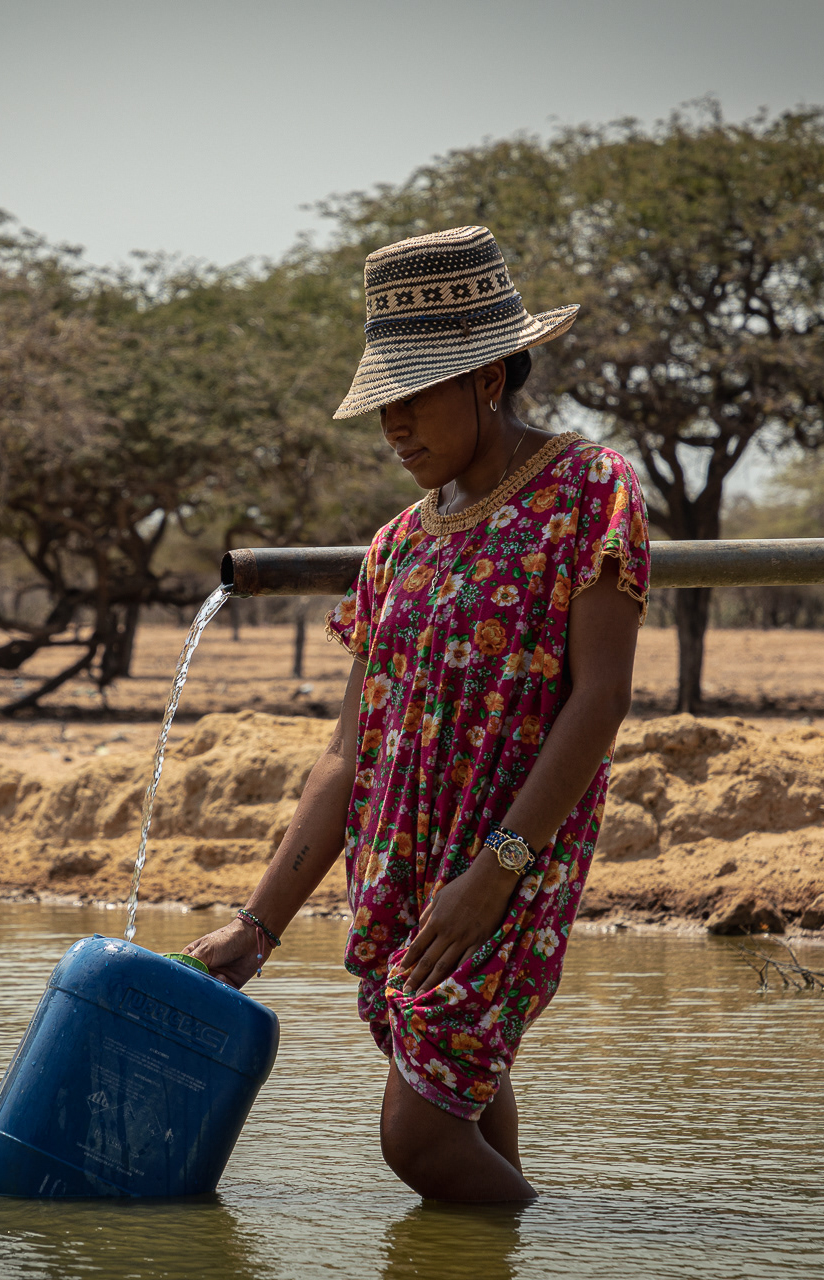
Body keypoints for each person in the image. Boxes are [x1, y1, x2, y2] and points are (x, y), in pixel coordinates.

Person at [186, 226, 649, 1202]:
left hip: (511, 866)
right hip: (404, 879)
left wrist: (495, 872)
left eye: (414, 395)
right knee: (463, 1104)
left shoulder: (590, 491)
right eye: (382, 404)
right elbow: (345, 755)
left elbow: (602, 698)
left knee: (420, 1138)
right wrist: (258, 925)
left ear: (488, 376)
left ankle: (561, 1246)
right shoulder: (395, 546)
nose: (394, 425)